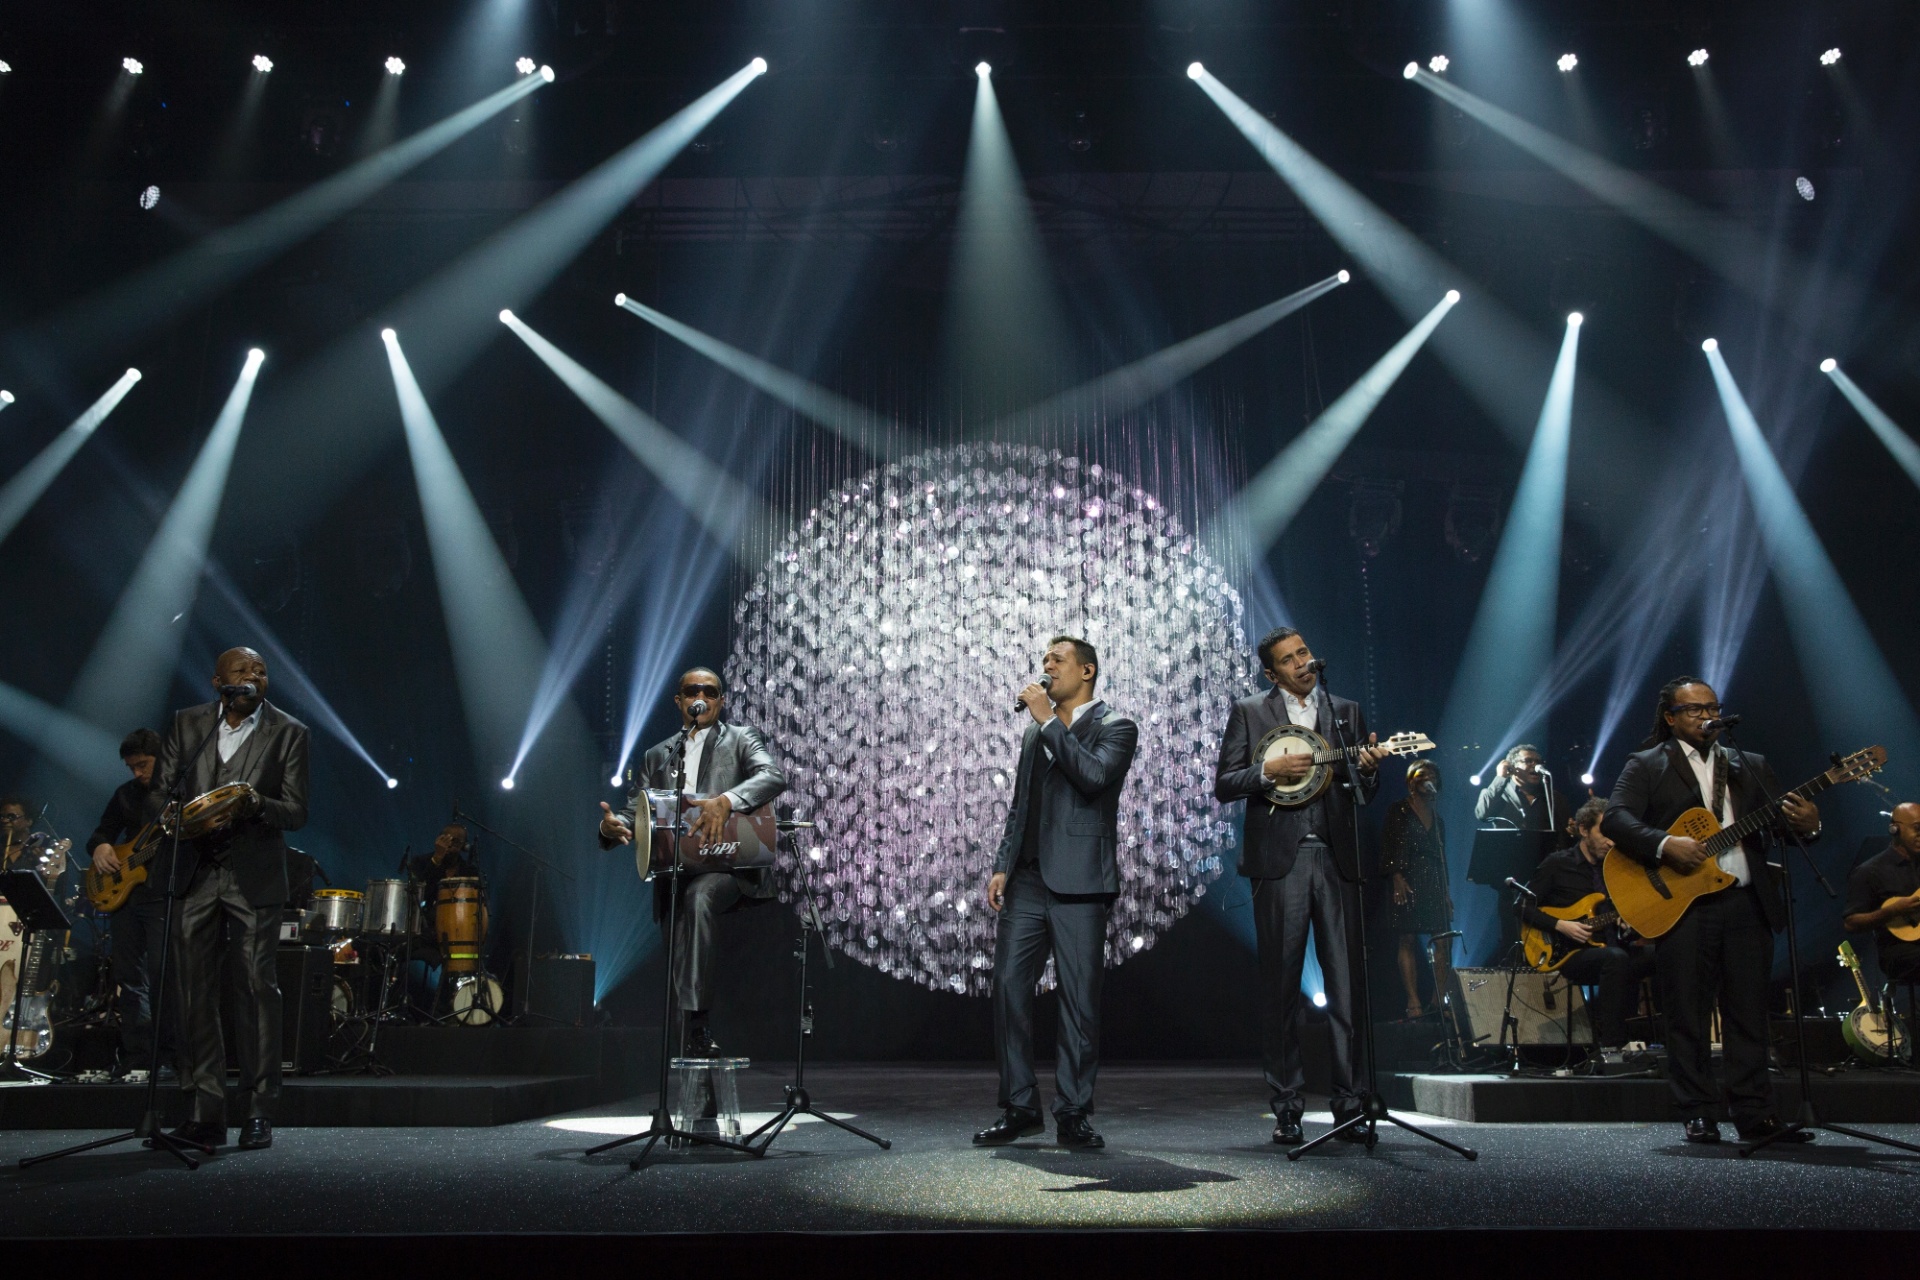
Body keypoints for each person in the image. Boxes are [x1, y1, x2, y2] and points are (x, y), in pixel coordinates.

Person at [1602, 676, 1818, 1145]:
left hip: (1746, 900)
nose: (1706, 716)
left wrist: (1810, 824)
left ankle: (1756, 1113)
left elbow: (1781, 828)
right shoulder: (1647, 764)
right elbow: (1615, 819)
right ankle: (1698, 1110)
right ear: (1671, 717)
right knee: (1687, 1011)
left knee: (1748, 1013)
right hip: (1683, 906)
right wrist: (1663, 844)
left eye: (1712, 707)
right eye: (1694, 709)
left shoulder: (1750, 765)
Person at [1214, 626, 1387, 1146]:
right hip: (1280, 862)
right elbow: (1225, 783)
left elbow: (1363, 793)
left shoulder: (1345, 711)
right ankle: (1287, 1105)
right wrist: (1266, 771)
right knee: (1282, 987)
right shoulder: (1250, 711)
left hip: (1337, 858)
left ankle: (1350, 1104)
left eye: (1305, 653)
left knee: (1346, 987)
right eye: (1289, 660)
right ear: (1271, 672)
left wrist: (1369, 770)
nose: (1302, 663)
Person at [974, 636, 1138, 1151]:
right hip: (1026, 880)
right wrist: (1003, 864)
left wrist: (1048, 722)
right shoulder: (1033, 735)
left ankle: (1072, 1111)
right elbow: (1020, 805)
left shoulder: (1116, 726)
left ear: (1086, 671)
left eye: (1056, 661)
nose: (1045, 668)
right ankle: (1020, 1105)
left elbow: (1092, 777)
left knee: (1079, 1002)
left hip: (1081, 881)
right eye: (1044, 660)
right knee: (1007, 988)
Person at [155, 647, 309, 1153]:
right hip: (195, 870)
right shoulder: (186, 724)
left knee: (255, 988)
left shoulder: (288, 732)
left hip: (253, 875)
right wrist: (178, 817)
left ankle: (260, 1109)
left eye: (261, 671)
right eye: (242, 671)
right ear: (218, 680)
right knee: (191, 990)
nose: (253, 677)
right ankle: (205, 1111)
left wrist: (253, 803)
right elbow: (163, 790)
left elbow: (296, 810)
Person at [597, 666, 786, 1057]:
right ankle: (689, 1056)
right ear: (680, 701)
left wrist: (726, 800)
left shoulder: (740, 739)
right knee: (680, 936)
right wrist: (611, 828)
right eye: (692, 690)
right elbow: (637, 811)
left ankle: (698, 1026)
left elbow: (772, 775)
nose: (702, 695)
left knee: (700, 897)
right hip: (676, 869)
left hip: (728, 866)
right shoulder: (657, 755)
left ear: (720, 700)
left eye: (710, 691)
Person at [1523, 797, 1656, 1050]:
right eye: (1604, 833)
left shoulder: (1619, 870)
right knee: (1615, 959)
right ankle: (1612, 1046)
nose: (1611, 841)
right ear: (1584, 830)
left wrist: (1628, 925)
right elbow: (1521, 907)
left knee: (1665, 954)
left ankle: (1670, 1040)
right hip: (1568, 954)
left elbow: (1625, 919)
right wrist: (1560, 924)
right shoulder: (1558, 863)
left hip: (1612, 948)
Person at [86, 729, 170, 1078]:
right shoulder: (126, 794)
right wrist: (102, 847)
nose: (137, 773)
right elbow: (102, 831)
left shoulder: (178, 794)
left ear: (161, 757)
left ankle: (169, 1056)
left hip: (163, 895)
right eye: (131, 767)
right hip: (127, 898)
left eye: (142, 764)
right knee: (129, 977)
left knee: (164, 974)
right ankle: (138, 1055)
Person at [1382, 760, 1452, 1020]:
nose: (1429, 778)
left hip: (1433, 878)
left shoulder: (1438, 818)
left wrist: (1446, 892)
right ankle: (1413, 1001)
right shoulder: (1398, 811)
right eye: (1423, 775)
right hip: (1408, 877)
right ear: (1411, 781)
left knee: (1443, 940)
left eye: (1433, 774)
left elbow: (1443, 856)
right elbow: (1389, 845)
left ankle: (1438, 997)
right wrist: (1396, 876)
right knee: (1407, 937)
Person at [1843, 801, 1920, 985]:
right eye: (1917, 828)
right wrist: (1891, 912)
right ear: (1895, 829)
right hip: (1899, 952)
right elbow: (1851, 923)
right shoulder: (1870, 871)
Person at [1475, 743, 1565, 834]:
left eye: (1539, 762)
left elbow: (1563, 831)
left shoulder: (1553, 797)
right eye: (1528, 761)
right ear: (1512, 767)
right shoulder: (1498, 793)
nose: (1536, 765)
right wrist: (1500, 777)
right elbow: (1482, 814)